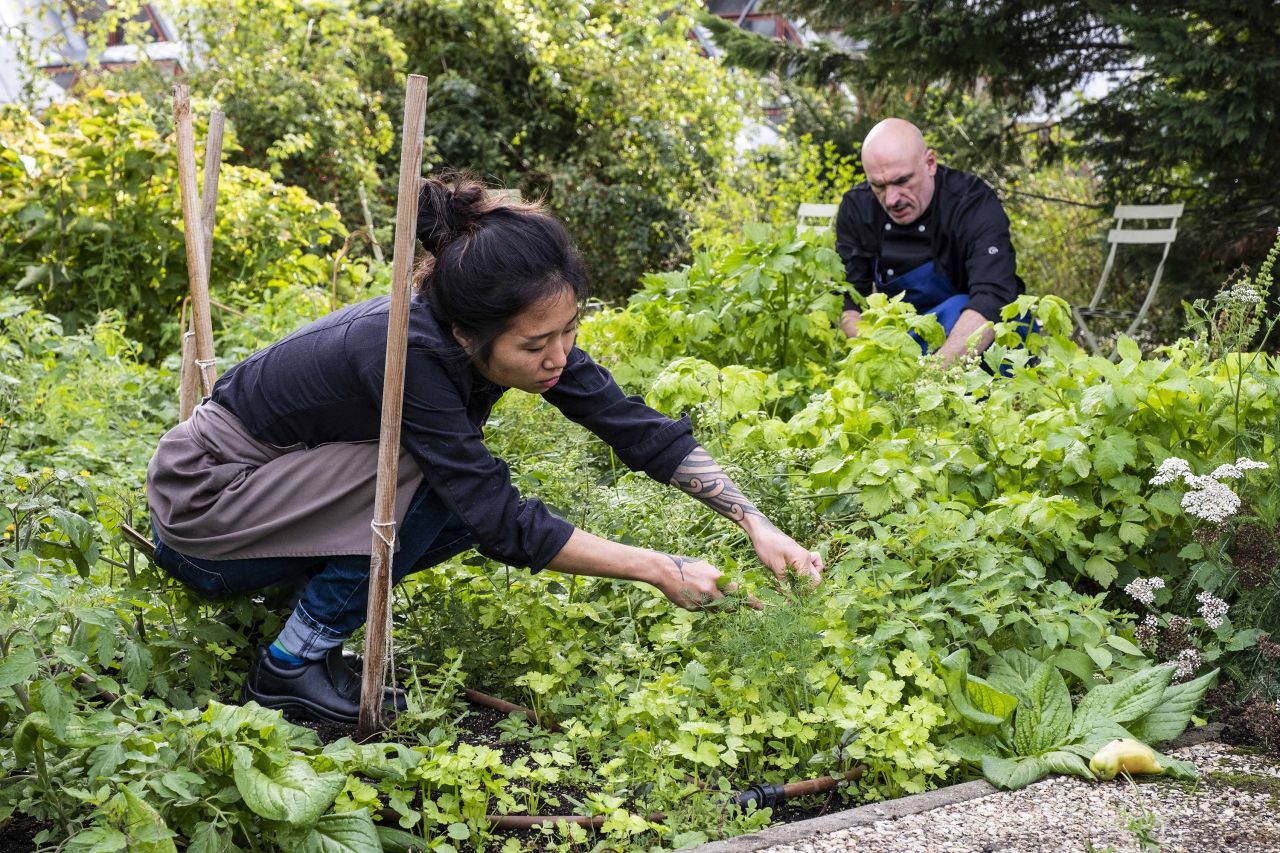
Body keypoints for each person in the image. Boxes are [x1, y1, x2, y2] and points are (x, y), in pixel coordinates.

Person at [146, 175, 824, 725]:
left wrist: (755, 521)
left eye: (568, 331)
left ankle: (307, 629)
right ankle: (292, 662)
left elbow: (631, 424)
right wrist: (658, 567)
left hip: (271, 498)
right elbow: (499, 517)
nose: (558, 356)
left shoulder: (503, 336)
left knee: (451, 490)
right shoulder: (408, 351)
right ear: (469, 332)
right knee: (438, 479)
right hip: (208, 508)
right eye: (536, 344)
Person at [835, 118, 1026, 364]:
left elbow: (994, 297)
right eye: (879, 186)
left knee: (967, 308)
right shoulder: (857, 207)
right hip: (903, 339)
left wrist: (934, 376)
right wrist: (875, 358)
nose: (892, 199)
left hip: (978, 334)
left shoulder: (973, 203)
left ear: (930, 164)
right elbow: (848, 299)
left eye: (902, 181)